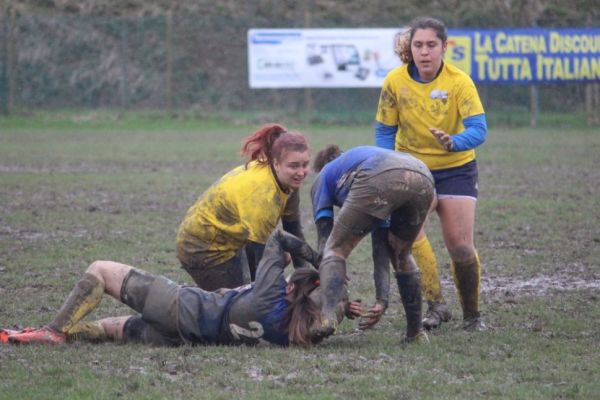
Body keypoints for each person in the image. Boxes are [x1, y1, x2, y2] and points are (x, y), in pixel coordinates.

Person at [2, 230, 362, 347]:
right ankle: (42, 336)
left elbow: (277, 237)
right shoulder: (306, 331)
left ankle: (50, 332)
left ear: (290, 290)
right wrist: (343, 305)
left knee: (100, 270)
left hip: (179, 305)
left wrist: (316, 258)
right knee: (112, 329)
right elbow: (329, 312)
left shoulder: (271, 296)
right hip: (186, 337)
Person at [374, 17, 488, 331]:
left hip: (456, 168)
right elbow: (384, 131)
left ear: (444, 47)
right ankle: (436, 305)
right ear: (410, 48)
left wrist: (455, 141)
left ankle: (472, 316)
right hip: (413, 170)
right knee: (409, 239)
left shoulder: (459, 81)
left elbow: (479, 129)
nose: (424, 52)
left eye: (431, 45)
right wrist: (390, 163)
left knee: (461, 246)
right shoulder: (395, 82)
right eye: (418, 45)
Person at [309, 144, 434, 343]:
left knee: (335, 250)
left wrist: (330, 272)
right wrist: (382, 300)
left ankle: (327, 318)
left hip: (380, 174)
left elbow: (325, 244)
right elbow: (381, 248)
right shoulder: (357, 161)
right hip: (422, 174)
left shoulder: (323, 176)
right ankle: (416, 333)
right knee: (402, 253)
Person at [176, 123, 311, 291]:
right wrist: (262, 294)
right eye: (294, 166)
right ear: (276, 163)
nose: (301, 172)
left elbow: (293, 230)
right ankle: (156, 314)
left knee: (281, 258)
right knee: (234, 311)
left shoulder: (287, 181)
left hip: (229, 240)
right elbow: (261, 258)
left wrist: (306, 276)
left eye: (305, 165)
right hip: (201, 248)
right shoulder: (263, 194)